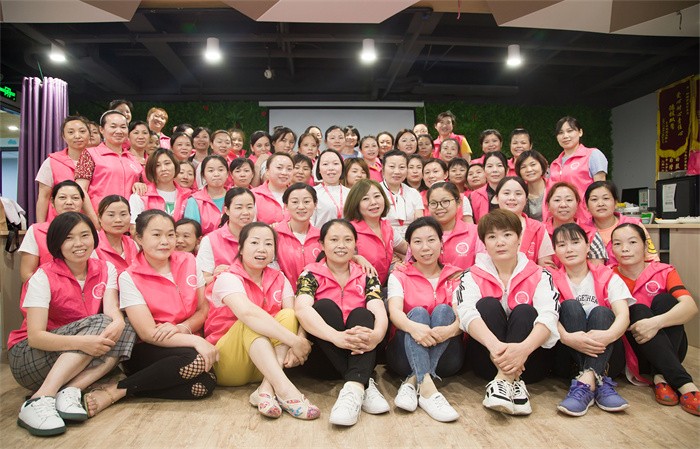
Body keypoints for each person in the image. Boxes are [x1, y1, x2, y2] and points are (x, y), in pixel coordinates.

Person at [7, 212, 136, 436]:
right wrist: (83, 343)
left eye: (85, 235)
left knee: (125, 326)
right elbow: (36, 337)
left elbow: (111, 308)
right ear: (56, 243)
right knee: (101, 322)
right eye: (68, 238)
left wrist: (118, 321)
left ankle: (71, 390)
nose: (79, 243)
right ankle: (40, 398)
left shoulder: (106, 268)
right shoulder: (43, 276)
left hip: (73, 360)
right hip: (30, 356)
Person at [204, 222, 320, 419]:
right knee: (251, 320)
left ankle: (266, 389)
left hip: (266, 364)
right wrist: (295, 342)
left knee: (288, 314)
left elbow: (294, 315)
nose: (262, 249)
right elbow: (248, 314)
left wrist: (301, 339)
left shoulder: (279, 278)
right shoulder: (227, 278)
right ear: (241, 248)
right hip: (229, 363)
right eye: (255, 242)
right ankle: (286, 391)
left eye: (268, 244)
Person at [453, 209, 560, 415]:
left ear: (519, 238)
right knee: (486, 305)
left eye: (507, 234)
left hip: (529, 363)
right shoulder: (471, 275)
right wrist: (497, 349)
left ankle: (504, 381)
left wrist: (522, 351)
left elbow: (550, 315)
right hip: (487, 360)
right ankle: (510, 381)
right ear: (484, 243)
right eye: (492, 237)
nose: (500, 242)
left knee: (526, 311)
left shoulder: (540, 274)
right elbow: (466, 314)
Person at [110, 210, 217, 413]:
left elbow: (203, 309)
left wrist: (182, 328)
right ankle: (116, 391)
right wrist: (196, 341)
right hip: (148, 348)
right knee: (197, 360)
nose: (165, 241)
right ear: (139, 238)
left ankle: (133, 388)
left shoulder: (189, 261)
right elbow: (147, 333)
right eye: (156, 235)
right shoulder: (129, 277)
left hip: (184, 341)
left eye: (170, 234)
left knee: (205, 384)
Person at [294, 219, 390, 426]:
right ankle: (364, 381)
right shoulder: (309, 274)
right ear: (322, 244)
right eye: (334, 240)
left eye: (347, 240)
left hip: (363, 351)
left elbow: (378, 310)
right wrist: (336, 337)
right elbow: (301, 309)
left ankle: (354, 387)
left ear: (355, 244)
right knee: (324, 307)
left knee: (362, 314)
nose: (341, 245)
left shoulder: (367, 275)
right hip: (324, 357)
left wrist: (377, 336)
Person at [611, 223, 699, 416]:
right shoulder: (608, 275)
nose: (625, 248)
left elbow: (690, 307)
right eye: (617, 244)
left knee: (666, 300)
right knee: (637, 309)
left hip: (672, 346)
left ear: (645, 245)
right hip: (634, 351)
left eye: (632, 242)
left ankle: (662, 376)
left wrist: (655, 323)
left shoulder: (664, 271)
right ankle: (681, 382)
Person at [386, 217, 464, 422]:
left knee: (444, 311)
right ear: (409, 246)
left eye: (431, 240)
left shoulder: (455, 276)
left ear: (441, 243)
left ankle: (414, 381)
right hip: (403, 356)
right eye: (417, 242)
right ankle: (428, 390)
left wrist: (450, 331)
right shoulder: (399, 275)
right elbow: (395, 313)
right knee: (418, 313)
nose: (425, 247)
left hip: (447, 356)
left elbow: (462, 318)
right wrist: (414, 328)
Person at [550, 223, 632, 416]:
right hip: (567, 357)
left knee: (601, 312)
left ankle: (587, 380)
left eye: (575, 242)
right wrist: (567, 337)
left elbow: (623, 315)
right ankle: (597, 382)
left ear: (588, 246)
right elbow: (546, 316)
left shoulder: (607, 275)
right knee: (570, 306)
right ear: (555, 251)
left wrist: (608, 335)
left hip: (608, 357)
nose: (569, 249)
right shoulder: (550, 278)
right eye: (561, 245)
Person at [75, 110, 144, 225]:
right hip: (99, 221)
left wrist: (141, 185)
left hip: (128, 223)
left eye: (123, 127)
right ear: (101, 130)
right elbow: (80, 189)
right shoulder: (90, 154)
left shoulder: (133, 158)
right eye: (113, 126)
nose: (119, 131)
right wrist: (94, 220)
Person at [20, 180, 85, 283]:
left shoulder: (90, 232)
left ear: (82, 202)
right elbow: (27, 274)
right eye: (62, 197)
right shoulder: (36, 231)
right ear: (52, 202)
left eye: (75, 198)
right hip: (45, 289)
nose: (69, 202)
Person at [344, 179, 408, 285]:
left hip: (381, 285)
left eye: (377, 196)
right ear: (355, 203)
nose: (373, 202)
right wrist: (356, 258)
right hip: (356, 288)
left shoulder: (388, 228)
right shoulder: (348, 230)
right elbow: (334, 257)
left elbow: (407, 248)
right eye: (365, 199)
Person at [584, 181, 658, 265]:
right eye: (594, 199)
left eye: (606, 198)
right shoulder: (582, 231)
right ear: (586, 206)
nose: (600, 204)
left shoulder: (633, 225)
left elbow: (652, 260)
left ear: (615, 203)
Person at [35, 116, 90, 222]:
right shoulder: (51, 162)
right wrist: (40, 226)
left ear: (89, 134)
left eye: (82, 131)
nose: (77, 136)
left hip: (90, 222)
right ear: (64, 137)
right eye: (71, 132)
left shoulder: (98, 161)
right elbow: (43, 197)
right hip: (59, 223)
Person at [549, 116, 608, 213]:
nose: (565, 136)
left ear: (580, 132)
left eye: (570, 131)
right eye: (560, 133)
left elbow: (601, 190)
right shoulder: (554, 164)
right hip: (562, 216)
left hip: (586, 216)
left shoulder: (593, 155)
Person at [494, 177, 555, 268]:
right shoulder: (486, 227)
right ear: (497, 198)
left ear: (526, 199)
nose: (512, 198)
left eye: (518, 194)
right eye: (506, 193)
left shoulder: (539, 229)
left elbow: (546, 268)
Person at [198, 188, 255, 285]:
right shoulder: (211, 240)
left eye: (249, 207)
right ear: (227, 210)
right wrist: (220, 275)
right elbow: (202, 281)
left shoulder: (263, 236)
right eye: (239, 207)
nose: (245, 212)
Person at [545, 182, 607, 266]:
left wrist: (559, 272)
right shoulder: (540, 231)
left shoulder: (590, 233)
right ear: (548, 205)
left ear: (577, 204)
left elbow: (598, 269)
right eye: (557, 200)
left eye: (569, 200)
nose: (563, 205)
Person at [426, 182, 483, 270]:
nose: (439, 207)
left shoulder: (475, 232)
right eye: (433, 203)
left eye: (445, 201)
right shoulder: (421, 234)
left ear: (458, 202)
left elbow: (483, 267)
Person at [275, 184, 321, 289]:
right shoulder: (275, 235)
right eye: (295, 202)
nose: (301, 207)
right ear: (286, 206)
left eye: (306, 202)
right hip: (284, 295)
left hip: (318, 295)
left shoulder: (323, 237)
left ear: (315, 204)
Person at [129, 148, 191, 225]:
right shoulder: (141, 195)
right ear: (151, 170)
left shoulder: (188, 196)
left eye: (167, 163)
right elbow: (134, 227)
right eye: (157, 165)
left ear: (175, 165)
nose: (163, 169)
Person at [380, 150, 423, 239]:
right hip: (383, 238)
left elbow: (419, 223)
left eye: (402, 167)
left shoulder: (414, 193)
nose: (397, 171)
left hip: (410, 239)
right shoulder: (375, 192)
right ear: (383, 169)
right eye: (392, 167)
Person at [184, 155, 229, 235]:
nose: (216, 174)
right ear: (203, 175)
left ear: (227, 174)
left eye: (221, 170)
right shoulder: (194, 201)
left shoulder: (236, 197)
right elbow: (191, 232)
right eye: (211, 171)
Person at [94, 195, 138, 274]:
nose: (118, 220)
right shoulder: (93, 246)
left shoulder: (133, 244)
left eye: (123, 214)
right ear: (99, 218)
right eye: (111, 215)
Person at [422, 158, 474, 223]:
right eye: (427, 172)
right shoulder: (419, 198)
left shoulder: (461, 198)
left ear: (445, 174)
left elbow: (469, 224)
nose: (431, 176)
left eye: (435, 171)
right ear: (423, 177)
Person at [252, 152, 293, 225]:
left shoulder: (297, 194)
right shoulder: (254, 195)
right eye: (279, 168)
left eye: (289, 169)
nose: (284, 173)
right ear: (267, 171)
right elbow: (249, 227)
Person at [312, 149, 350, 228]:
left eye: (335, 163)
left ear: (342, 167)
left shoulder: (350, 193)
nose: (331, 168)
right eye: (325, 164)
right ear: (319, 170)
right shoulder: (312, 193)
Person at [470, 151, 507, 222]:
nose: (494, 170)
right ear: (484, 170)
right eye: (490, 166)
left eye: (499, 165)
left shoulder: (516, 192)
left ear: (507, 169)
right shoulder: (474, 196)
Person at [515, 150, 548, 222]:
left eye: (533, 165)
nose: (529, 170)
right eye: (523, 167)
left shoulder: (555, 189)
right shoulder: (518, 193)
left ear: (542, 166)